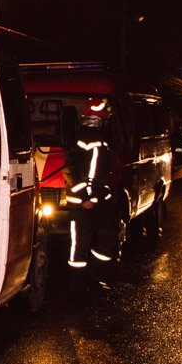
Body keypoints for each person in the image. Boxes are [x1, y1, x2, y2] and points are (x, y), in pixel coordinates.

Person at [64, 96, 119, 296]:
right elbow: (73, 171)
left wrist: (96, 196)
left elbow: (98, 172)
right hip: (83, 204)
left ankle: (91, 278)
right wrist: (87, 197)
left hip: (96, 201)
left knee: (103, 240)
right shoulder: (86, 139)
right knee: (79, 245)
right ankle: (77, 286)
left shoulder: (97, 138)